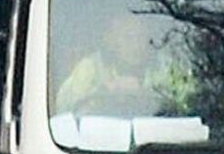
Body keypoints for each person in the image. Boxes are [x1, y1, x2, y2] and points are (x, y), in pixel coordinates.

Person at [54, 14, 194, 119]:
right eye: (128, 37)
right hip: (101, 144)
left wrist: (147, 93)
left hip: (159, 145)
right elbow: (65, 107)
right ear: (110, 40)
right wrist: (105, 91)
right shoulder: (90, 67)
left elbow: (192, 103)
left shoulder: (166, 66)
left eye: (141, 37)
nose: (136, 45)